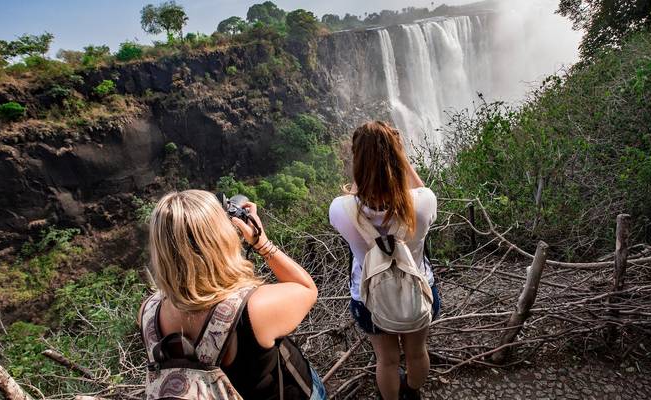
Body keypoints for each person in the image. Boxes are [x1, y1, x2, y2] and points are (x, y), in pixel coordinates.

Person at [139, 189, 326, 400]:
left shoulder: (148, 312)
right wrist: (260, 242)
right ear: (219, 238)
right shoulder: (253, 309)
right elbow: (307, 288)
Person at [329, 121, 440, 400]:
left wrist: (364, 169)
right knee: (417, 352)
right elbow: (421, 191)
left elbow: (353, 198)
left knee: (387, 360)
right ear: (398, 158)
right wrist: (401, 157)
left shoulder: (341, 210)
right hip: (418, 291)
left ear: (357, 163)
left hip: (368, 298)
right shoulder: (423, 202)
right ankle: (412, 391)